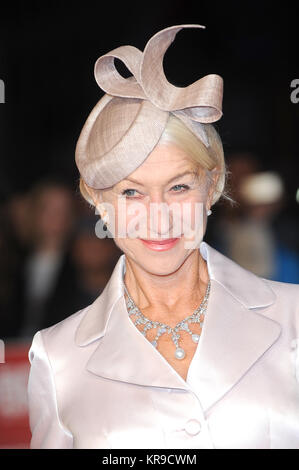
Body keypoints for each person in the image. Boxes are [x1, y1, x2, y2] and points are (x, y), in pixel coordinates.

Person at [27, 24, 299, 449]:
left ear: (211, 187)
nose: (159, 218)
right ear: (99, 202)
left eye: (179, 187)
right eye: (131, 191)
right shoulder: (57, 357)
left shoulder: (293, 317)